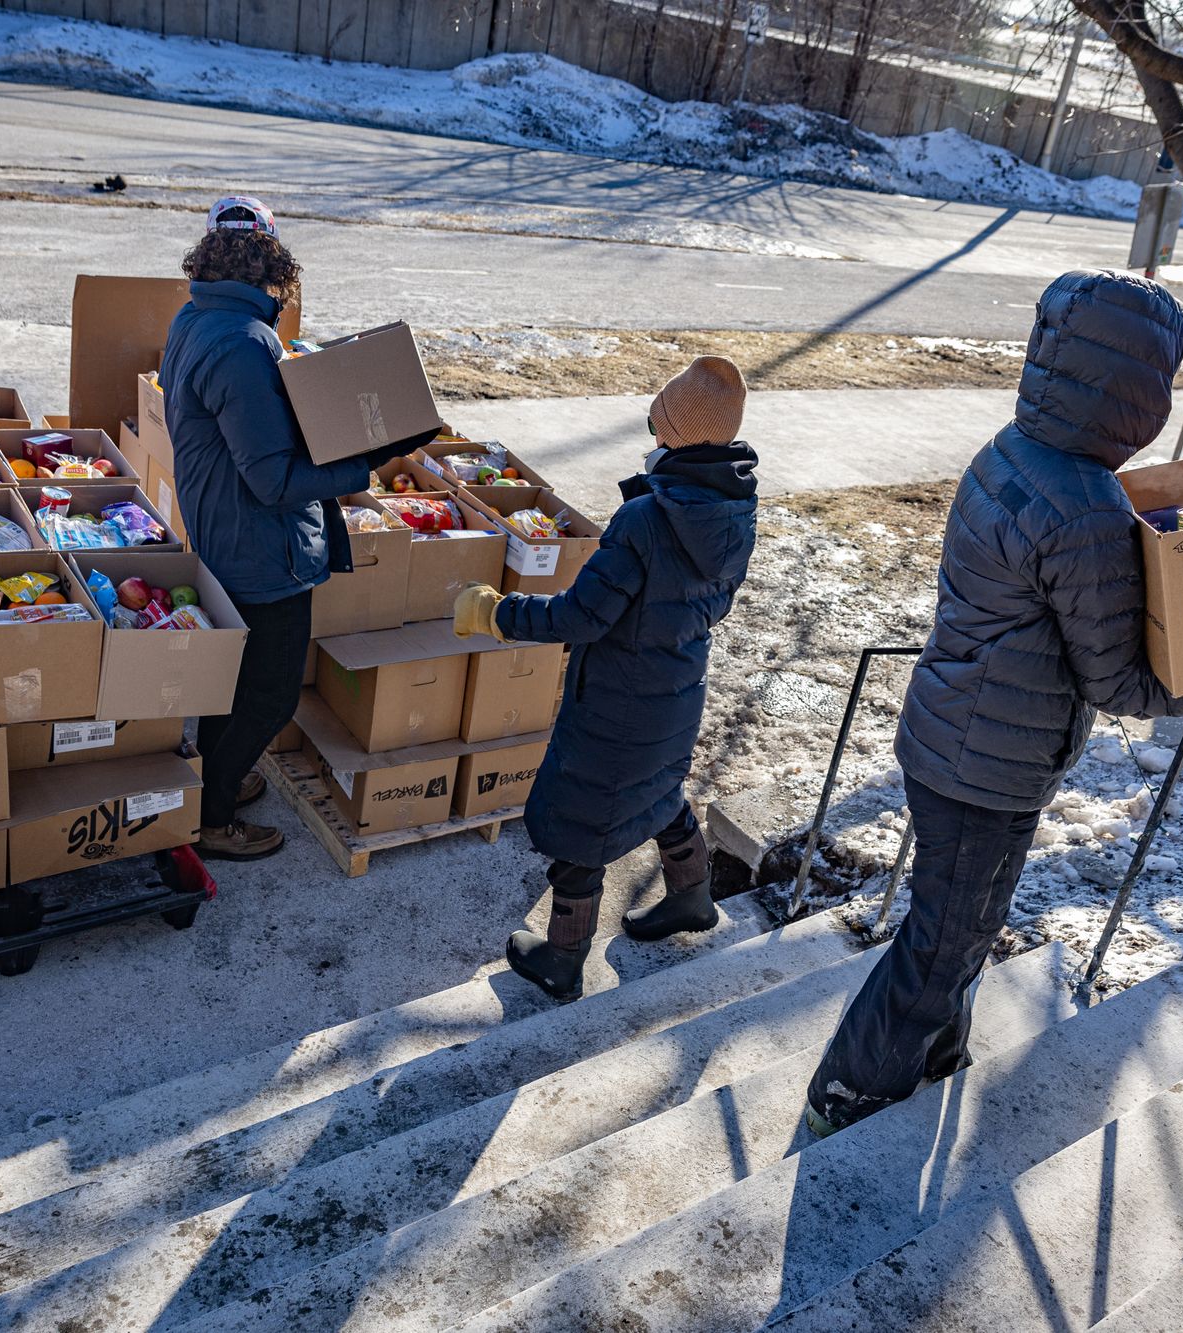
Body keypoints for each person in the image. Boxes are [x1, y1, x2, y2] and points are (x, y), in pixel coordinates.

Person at [803, 269, 1183, 1137]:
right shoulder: (1085, 505)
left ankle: (931, 1054)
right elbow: (1118, 681)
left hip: (951, 727)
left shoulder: (1013, 449)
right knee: (946, 939)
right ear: (1134, 391)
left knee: (961, 920)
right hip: (990, 766)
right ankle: (850, 1089)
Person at [453, 356, 758, 1002]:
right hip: (678, 688)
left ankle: (564, 956)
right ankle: (693, 895)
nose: (652, 435)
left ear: (676, 434)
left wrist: (496, 612)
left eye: (660, 423)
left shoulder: (647, 521)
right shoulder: (731, 512)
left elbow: (582, 615)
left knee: (581, 814)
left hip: (619, 699)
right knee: (659, 788)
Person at [160, 196, 412, 860]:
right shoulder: (243, 345)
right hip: (259, 550)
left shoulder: (195, 318)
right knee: (268, 694)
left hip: (223, 531)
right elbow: (271, 480)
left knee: (235, 684)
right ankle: (212, 817)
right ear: (272, 262)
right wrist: (363, 460)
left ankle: (218, 778)